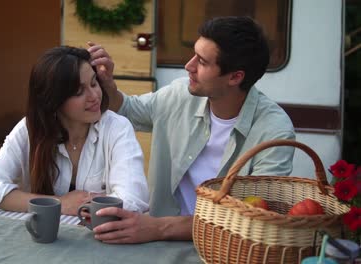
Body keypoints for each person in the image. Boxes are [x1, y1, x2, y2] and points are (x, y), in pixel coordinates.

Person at [87, 16, 295, 243]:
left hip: (225, 248)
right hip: (156, 243)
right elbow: (128, 109)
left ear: (235, 77)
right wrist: (108, 84)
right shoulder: (180, 94)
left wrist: (158, 227)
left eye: (203, 62)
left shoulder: (275, 130)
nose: (189, 66)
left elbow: (252, 216)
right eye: (194, 53)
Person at [0, 46, 149, 215]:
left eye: (94, 83)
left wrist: (81, 206)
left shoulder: (117, 127)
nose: (94, 96)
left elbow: (133, 200)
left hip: (98, 237)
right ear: (54, 100)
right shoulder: (30, 128)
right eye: (79, 91)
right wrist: (59, 204)